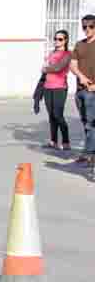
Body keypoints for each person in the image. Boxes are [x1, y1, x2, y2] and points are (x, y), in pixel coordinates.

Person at [69, 14, 95, 178]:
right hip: (81, 91)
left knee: (92, 124)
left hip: (94, 91)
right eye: (84, 27)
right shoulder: (80, 45)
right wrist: (81, 77)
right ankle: (89, 155)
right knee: (86, 123)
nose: (87, 29)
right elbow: (73, 65)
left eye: (91, 26)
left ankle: (90, 155)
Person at [41, 30, 72, 151]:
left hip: (60, 87)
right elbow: (47, 67)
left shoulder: (67, 54)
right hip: (48, 87)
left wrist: (46, 69)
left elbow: (58, 68)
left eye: (60, 39)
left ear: (65, 40)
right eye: (55, 39)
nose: (57, 41)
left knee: (58, 115)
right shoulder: (51, 53)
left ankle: (66, 142)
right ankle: (53, 141)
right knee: (51, 116)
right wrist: (47, 69)